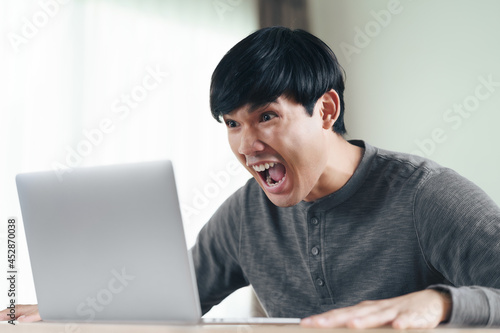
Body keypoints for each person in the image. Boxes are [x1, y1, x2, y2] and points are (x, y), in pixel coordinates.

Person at [2, 27, 500, 328]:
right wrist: (73, 308)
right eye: (232, 124)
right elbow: (173, 297)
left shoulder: (425, 195)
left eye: (265, 116)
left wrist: (442, 302)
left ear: (325, 110)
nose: (246, 146)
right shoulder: (245, 214)